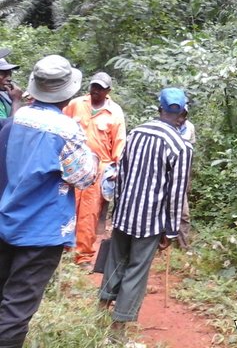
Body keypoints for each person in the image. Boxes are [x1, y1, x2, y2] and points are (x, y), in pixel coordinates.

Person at [0, 55, 97, 348]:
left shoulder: (13, 121)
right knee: (17, 307)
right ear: (67, 93)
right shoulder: (66, 131)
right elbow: (83, 176)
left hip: (5, 221)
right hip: (40, 233)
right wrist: (91, 156)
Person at [99, 88, 193, 339]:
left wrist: (117, 210)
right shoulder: (181, 147)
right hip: (150, 221)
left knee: (116, 262)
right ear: (183, 114)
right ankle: (117, 330)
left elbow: (121, 175)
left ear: (158, 109)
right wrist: (171, 231)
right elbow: (176, 193)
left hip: (124, 213)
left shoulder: (136, 133)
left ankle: (101, 311)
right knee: (136, 270)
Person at [63, 72, 126, 268]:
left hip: (98, 168)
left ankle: (83, 256)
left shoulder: (115, 112)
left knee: (89, 214)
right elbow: (61, 125)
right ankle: (62, 250)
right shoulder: (76, 104)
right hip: (72, 164)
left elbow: (119, 142)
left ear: (108, 91)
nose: (95, 91)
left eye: (100, 88)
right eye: (93, 86)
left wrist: (117, 167)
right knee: (66, 207)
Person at [176, 105, 196, 249]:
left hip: (181, 176)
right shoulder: (166, 127)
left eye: (183, 115)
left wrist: (188, 179)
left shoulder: (189, 128)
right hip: (164, 176)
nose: (180, 118)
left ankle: (183, 245)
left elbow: (190, 154)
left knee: (184, 214)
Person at [0, 48, 23, 119]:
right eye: (3, 74)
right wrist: (16, 101)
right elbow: (8, 128)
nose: (9, 79)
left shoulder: (4, 95)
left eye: (10, 73)